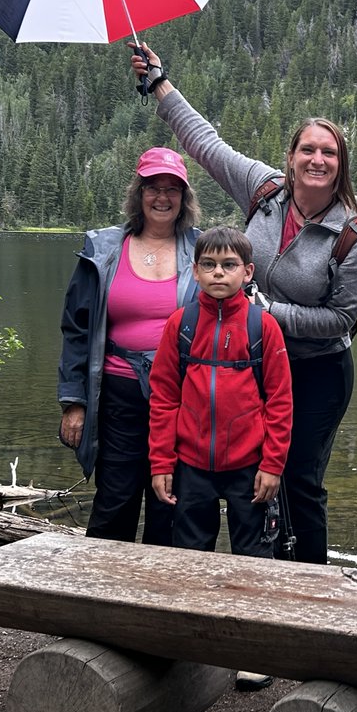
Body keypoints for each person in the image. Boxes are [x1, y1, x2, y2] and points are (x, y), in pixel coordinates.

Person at [130, 44, 357, 566]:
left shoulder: (352, 234)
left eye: (329, 153)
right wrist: (160, 85)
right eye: (308, 149)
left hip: (317, 370)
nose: (317, 160)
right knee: (254, 482)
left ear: (341, 166)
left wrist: (264, 312)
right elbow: (206, 144)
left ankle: (308, 584)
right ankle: (258, 571)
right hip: (248, 362)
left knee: (299, 480)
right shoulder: (263, 191)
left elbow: (341, 321)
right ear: (291, 157)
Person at [58, 146, 201, 545]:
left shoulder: (203, 251)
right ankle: (100, 582)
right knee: (114, 502)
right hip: (117, 395)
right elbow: (76, 329)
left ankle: (160, 584)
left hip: (181, 396)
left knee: (171, 504)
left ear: (184, 197)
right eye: (153, 187)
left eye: (172, 189)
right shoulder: (104, 250)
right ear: (138, 193)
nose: (162, 197)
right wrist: (73, 401)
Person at [147, 226, 292, 557]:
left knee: (254, 558)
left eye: (229, 265)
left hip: (249, 466)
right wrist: (161, 463)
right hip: (191, 466)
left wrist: (273, 465)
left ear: (247, 271)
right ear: (195, 271)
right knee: (189, 556)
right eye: (209, 264)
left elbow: (280, 402)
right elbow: (164, 399)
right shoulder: (181, 324)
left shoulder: (263, 326)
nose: (218, 273)